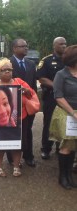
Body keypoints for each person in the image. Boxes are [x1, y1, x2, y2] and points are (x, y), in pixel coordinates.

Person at [0, 58, 37, 177]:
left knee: (18, 144)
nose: (8, 72)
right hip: (0, 121)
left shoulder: (19, 81)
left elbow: (31, 94)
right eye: (4, 70)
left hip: (20, 118)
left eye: (10, 69)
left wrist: (26, 90)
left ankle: (16, 166)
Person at [0, 39, 37, 167]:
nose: (26, 48)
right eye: (22, 46)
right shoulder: (6, 64)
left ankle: (28, 156)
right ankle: (12, 159)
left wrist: (32, 99)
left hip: (27, 106)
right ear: (14, 48)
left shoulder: (31, 64)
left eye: (26, 46)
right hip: (12, 107)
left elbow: (33, 85)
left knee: (27, 132)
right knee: (11, 132)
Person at [49, 45, 77, 190]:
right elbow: (58, 96)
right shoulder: (61, 74)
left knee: (74, 146)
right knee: (66, 145)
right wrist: (73, 112)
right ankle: (63, 177)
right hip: (65, 113)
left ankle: (69, 176)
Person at [37, 37, 67, 160]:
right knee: (49, 122)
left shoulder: (70, 59)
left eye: (65, 44)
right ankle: (46, 148)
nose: (64, 46)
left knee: (65, 122)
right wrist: (57, 86)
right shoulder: (47, 61)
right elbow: (41, 78)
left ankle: (61, 147)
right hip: (51, 97)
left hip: (67, 98)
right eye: (61, 44)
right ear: (54, 46)